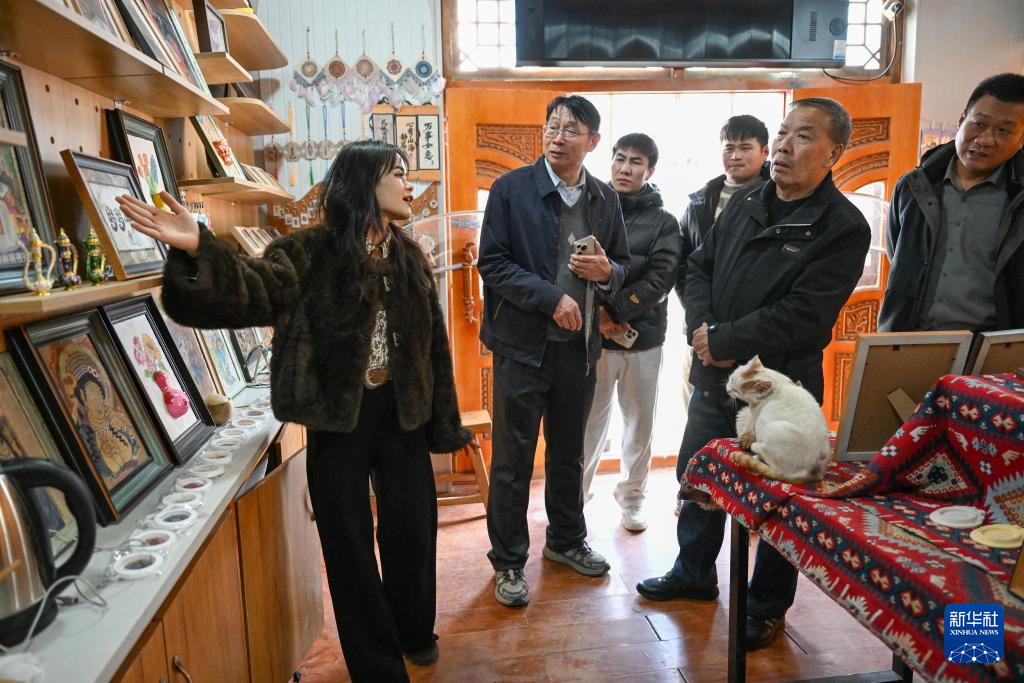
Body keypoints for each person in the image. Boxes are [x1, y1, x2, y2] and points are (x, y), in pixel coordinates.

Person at [116, 140, 475, 683]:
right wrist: (198, 246)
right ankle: (377, 668)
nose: (410, 185)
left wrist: (444, 422)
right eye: (398, 173)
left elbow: (435, 346)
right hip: (337, 421)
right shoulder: (308, 251)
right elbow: (251, 292)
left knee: (413, 535)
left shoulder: (409, 257)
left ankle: (415, 632)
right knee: (348, 549)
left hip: (404, 416)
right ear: (365, 182)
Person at [637, 98, 871, 651]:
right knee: (699, 477)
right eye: (783, 132)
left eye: (803, 136)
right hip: (715, 375)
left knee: (778, 496)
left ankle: (765, 605)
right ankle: (694, 573)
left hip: (779, 390)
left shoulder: (842, 226)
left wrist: (726, 342)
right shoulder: (745, 201)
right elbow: (700, 266)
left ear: (834, 152)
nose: (785, 145)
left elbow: (805, 314)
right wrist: (703, 331)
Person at [478, 94, 630, 607]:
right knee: (513, 460)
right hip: (521, 348)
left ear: (593, 141)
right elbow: (493, 264)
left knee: (569, 454)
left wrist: (607, 274)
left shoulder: (604, 198)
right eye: (552, 126)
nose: (558, 137)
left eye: (570, 129)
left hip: (579, 350)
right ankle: (508, 561)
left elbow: (623, 266)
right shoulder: (511, 189)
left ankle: (565, 541)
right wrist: (552, 298)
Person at [581, 133, 680, 531]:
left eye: (635, 162)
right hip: (593, 339)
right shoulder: (590, 208)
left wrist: (616, 310)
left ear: (649, 171)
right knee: (588, 423)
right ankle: (575, 499)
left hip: (644, 340)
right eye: (619, 159)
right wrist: (600, 317)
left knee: (639, 424)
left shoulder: (664, 222)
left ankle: (633, 498)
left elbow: (661, 279)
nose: (624, 168)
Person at [879, 72, 1024, 333]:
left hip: (993, 346)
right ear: (961, 120)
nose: (985, 139)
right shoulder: (914, 186)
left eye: (1004, 130)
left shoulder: (1019, 199)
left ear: (1021, 140)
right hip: (911, 339)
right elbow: (897, 254)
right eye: (978, 124)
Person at [676, 115, 771, 416]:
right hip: (700, 328)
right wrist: (699, 323)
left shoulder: (776, 199)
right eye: (729, 147)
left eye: (745, 148)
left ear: (765, 152)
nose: (736, 155)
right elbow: (685, 267)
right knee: (697, 411)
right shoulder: (699, 201)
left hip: (753, 334)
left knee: (752, 419)